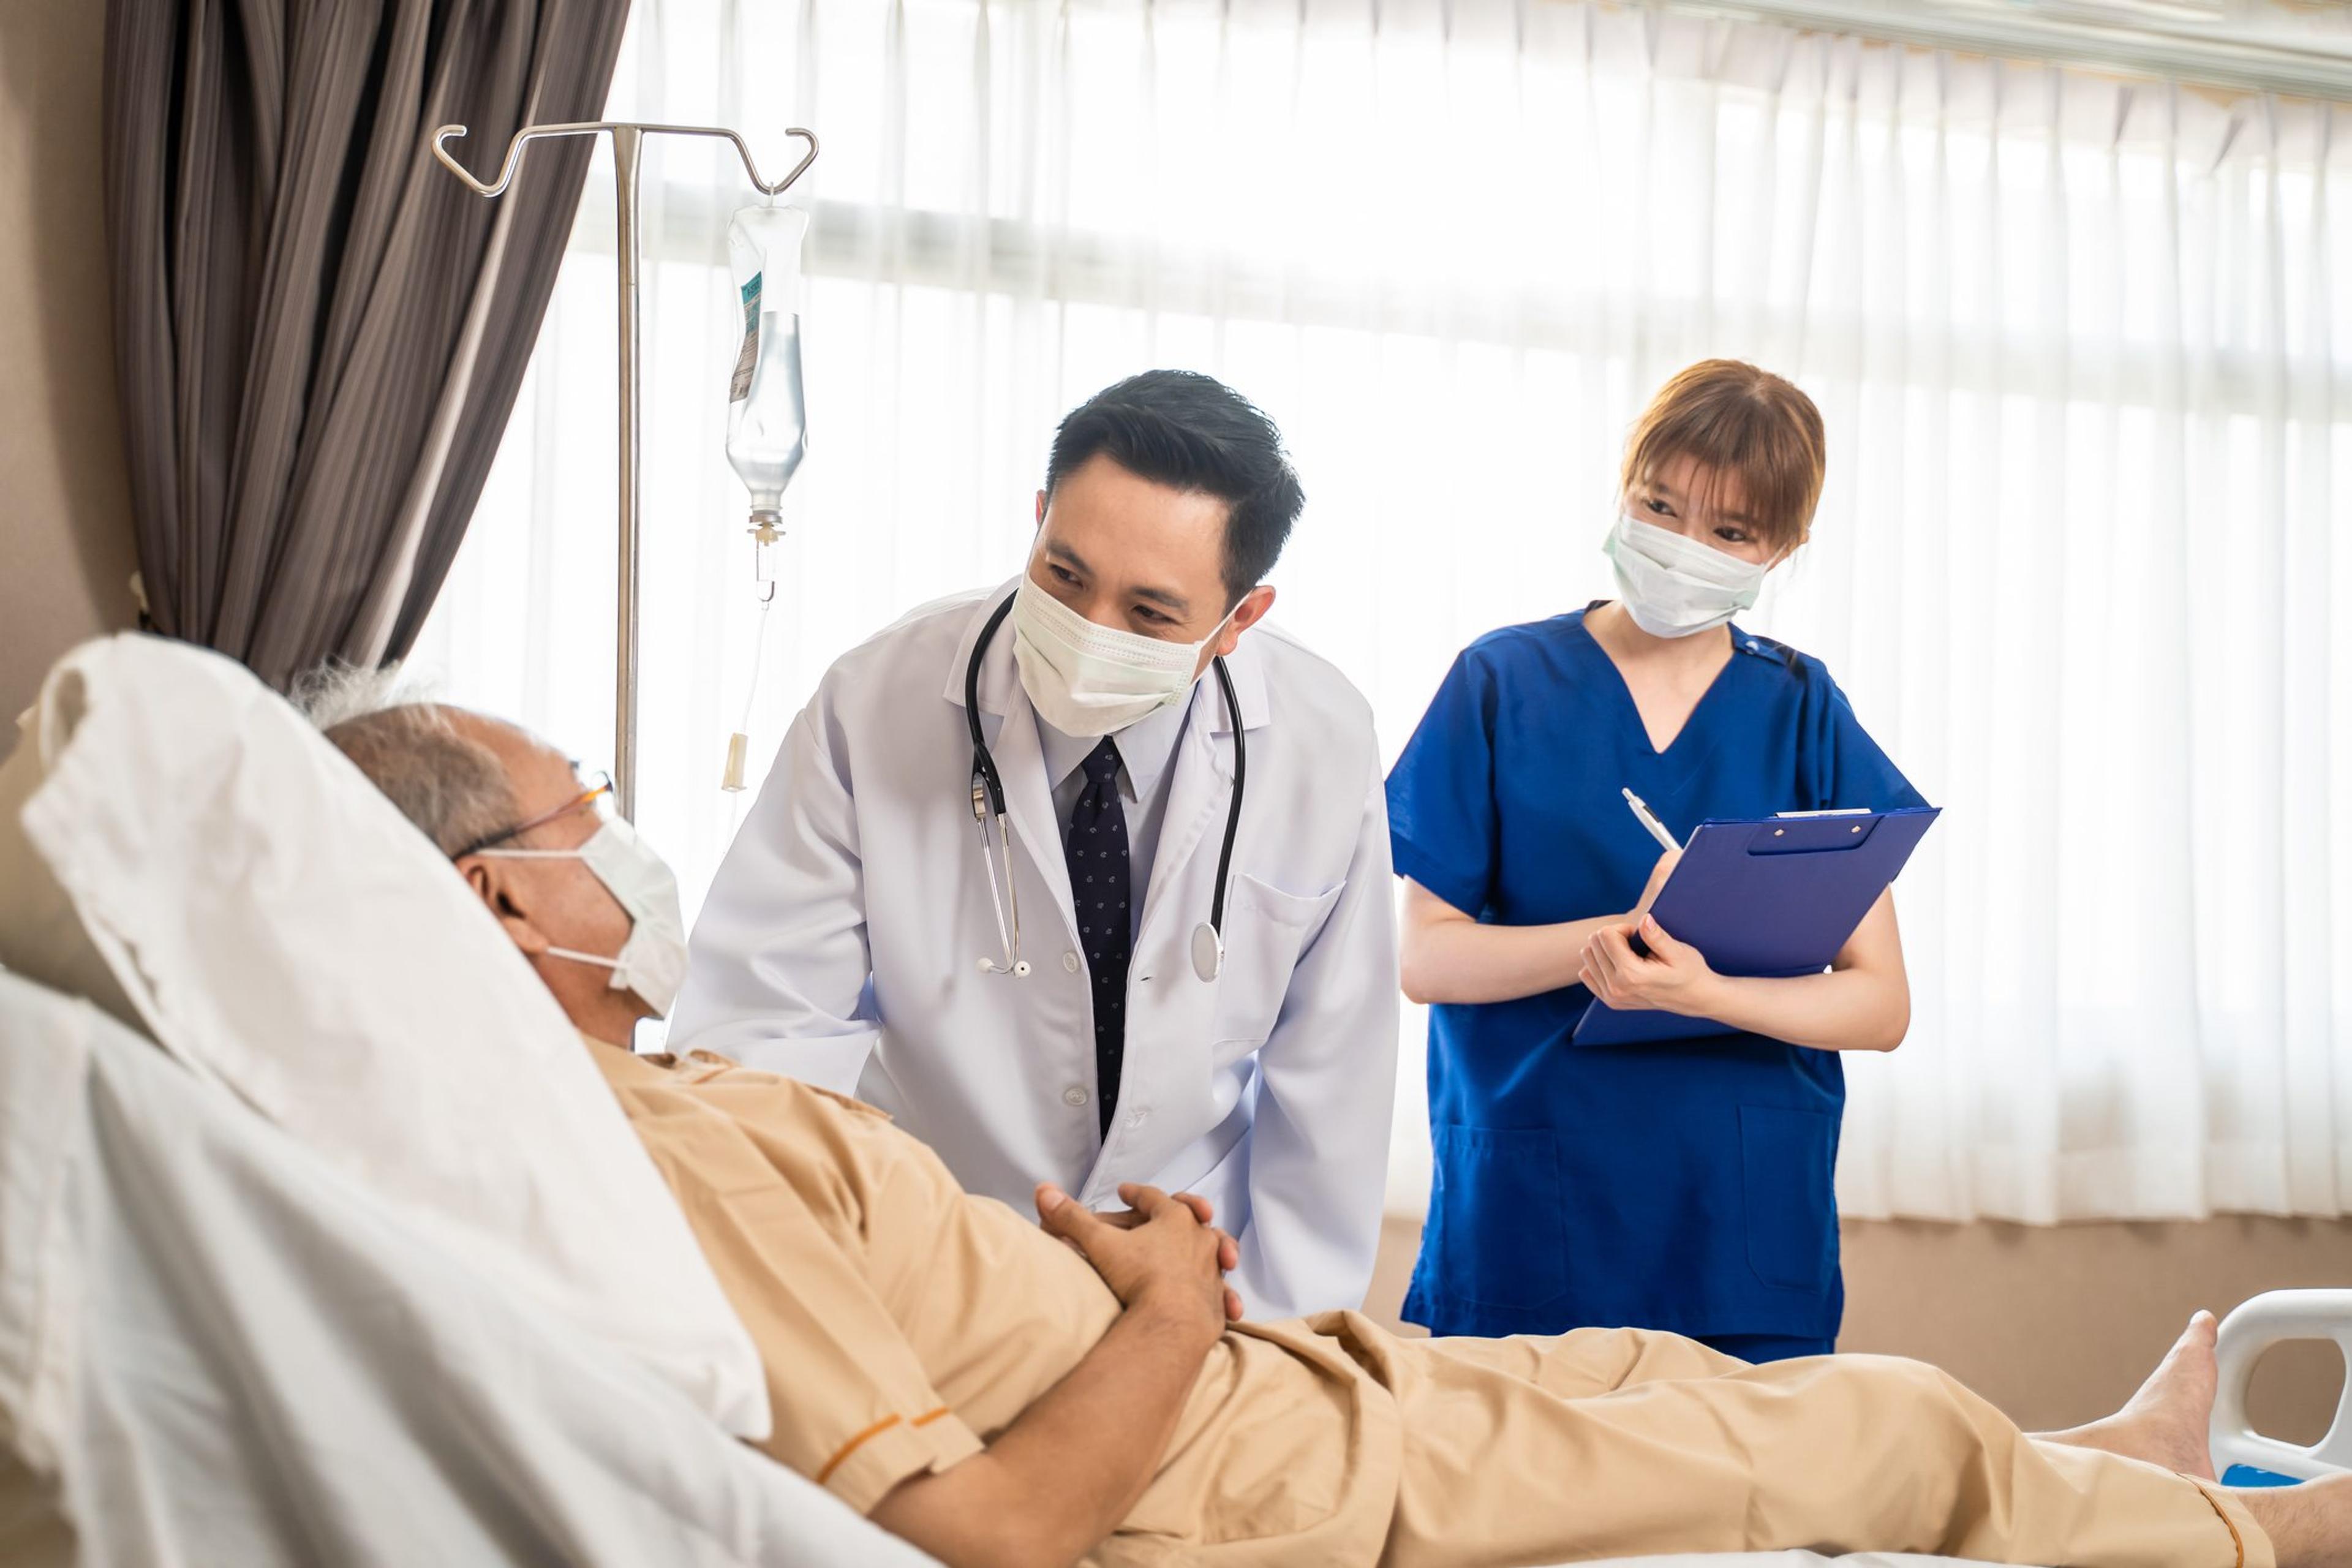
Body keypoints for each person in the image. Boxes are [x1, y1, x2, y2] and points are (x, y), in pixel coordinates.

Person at [311, 686, 2341, 1568]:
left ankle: (2094, 1474)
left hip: (1254, 1389)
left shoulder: (637, 1103)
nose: (629, 845)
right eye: (587, 815)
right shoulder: (637, 1157)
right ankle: (2253, 1535)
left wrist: (1135, 1296)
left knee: (1666, 1369)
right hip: (1228, 1462)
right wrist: (1170, 1309)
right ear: (501, 901)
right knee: (1865, 1417)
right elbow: (986, 1528)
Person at [670, 369, 1398, 1319]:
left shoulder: (1320, 740)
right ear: (1040, 516)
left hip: (1196, 1274)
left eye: (1149, 614)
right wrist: (796, 1286)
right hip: (923, 1250)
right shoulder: (875, 699)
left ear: (1239, 620)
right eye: (1064, 575)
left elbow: (1334, 1080)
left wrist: (1273, 1336)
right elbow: (764, 1027)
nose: (1089, 631)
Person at [1385, 359, 1921, 1360]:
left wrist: (1703, 992)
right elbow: (1426, 960)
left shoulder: (1802, 712)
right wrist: (1615, 940)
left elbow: (1879, 1004)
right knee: (1516, 1497)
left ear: (1784, 547)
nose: (1682, 546)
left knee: (1742, 1506)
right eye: (1660, 506)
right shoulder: (1501, 682)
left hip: (1738, 1208)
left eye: (1728, 532)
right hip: (1536, 1199)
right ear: (1623, 491)